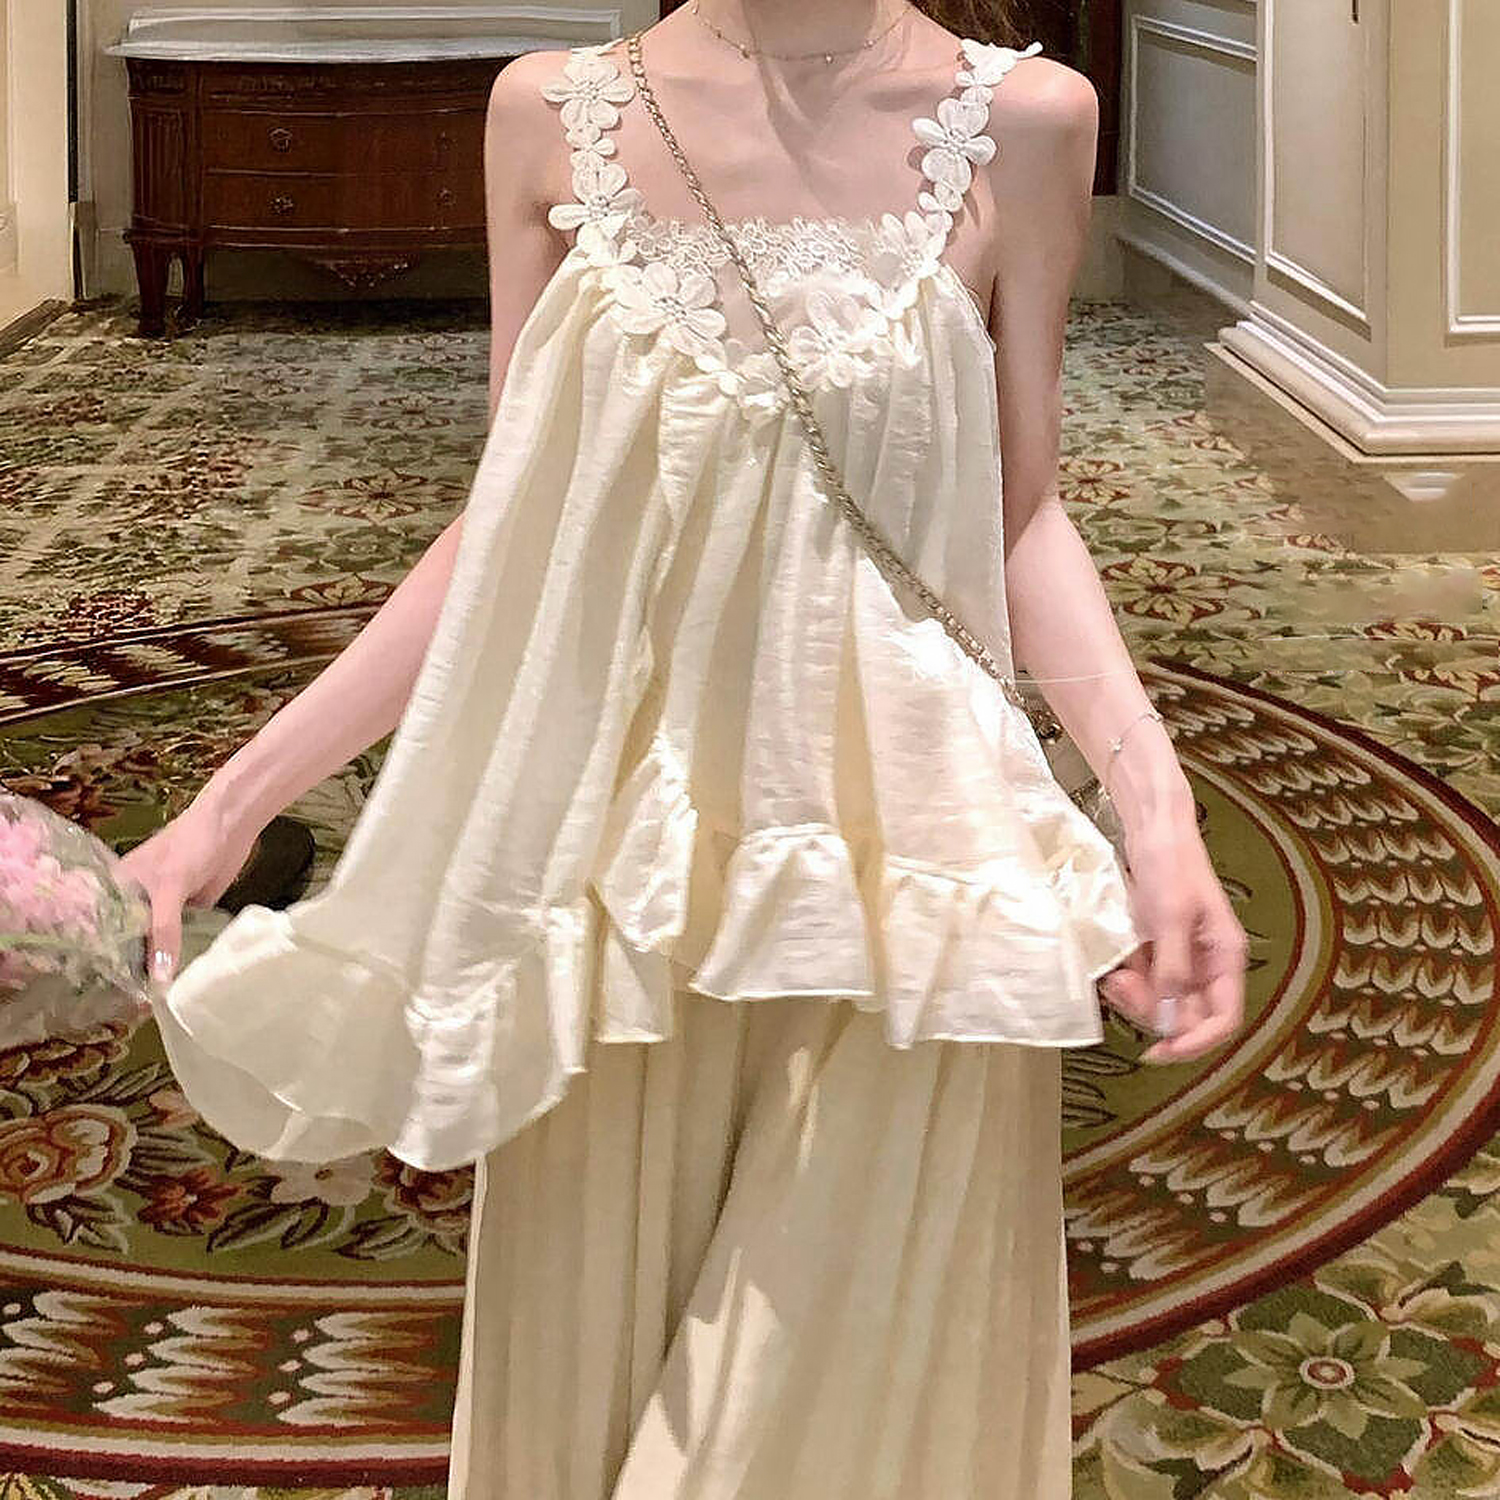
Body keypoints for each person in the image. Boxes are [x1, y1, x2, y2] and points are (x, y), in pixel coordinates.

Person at [121, 1, 1248, 1494]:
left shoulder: (1028, 123)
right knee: (596, 1395)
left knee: (844, 1421)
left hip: (910, 880)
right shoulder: (550, 113)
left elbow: (1019, 509)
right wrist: (225, 810)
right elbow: (510, 527)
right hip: (614, 889)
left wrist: (1156, 817)